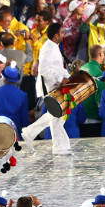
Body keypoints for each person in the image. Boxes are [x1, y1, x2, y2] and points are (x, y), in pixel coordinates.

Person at [21, 23, 71, 155]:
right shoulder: (48, 48)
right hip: (50, 87)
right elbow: (43, 69)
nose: (63, 35)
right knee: (56, 116)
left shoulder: (53, 46)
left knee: (55, 115)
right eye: (61, 32)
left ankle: (29, 132)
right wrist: (60, 79)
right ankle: (58, 147)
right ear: (56, 35)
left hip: (54, 86)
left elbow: (56, 68)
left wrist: (67, 76)